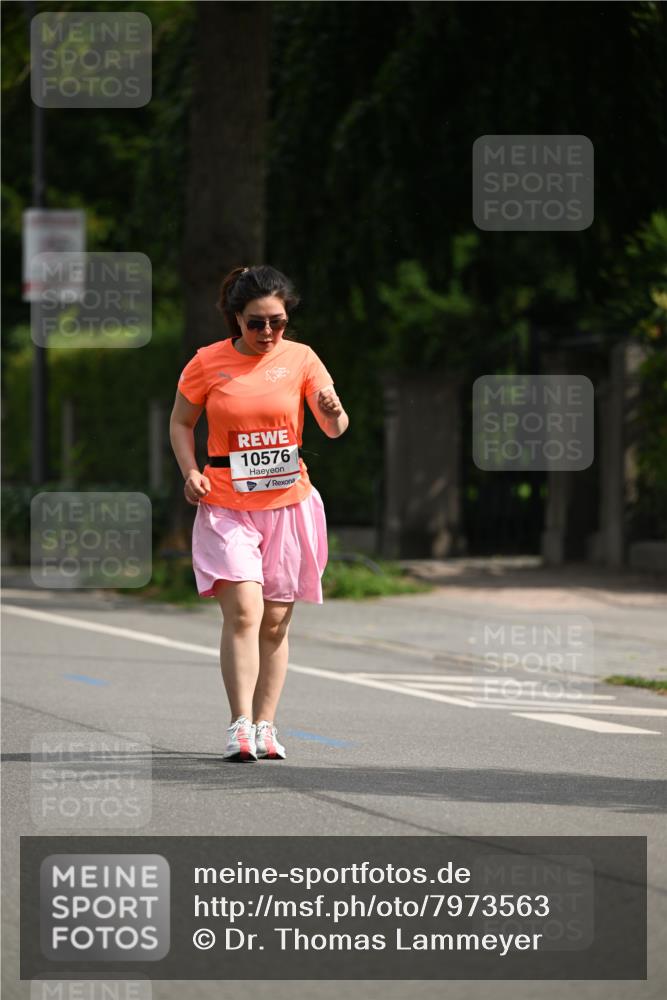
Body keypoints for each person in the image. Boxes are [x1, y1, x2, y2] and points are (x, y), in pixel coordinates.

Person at [169, 265, 349, 762]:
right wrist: (190, 472)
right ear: (236, 319)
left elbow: (334, 429)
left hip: (288, 504)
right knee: (245, 611)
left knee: (274, 623)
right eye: (256, 323)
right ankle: (240, 725)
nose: (268, 332)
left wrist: (333, 410)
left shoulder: (302, 359)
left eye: (277, 321)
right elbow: (182, 422)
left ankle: (267, 726)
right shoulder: (207, 363)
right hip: (226, 502)